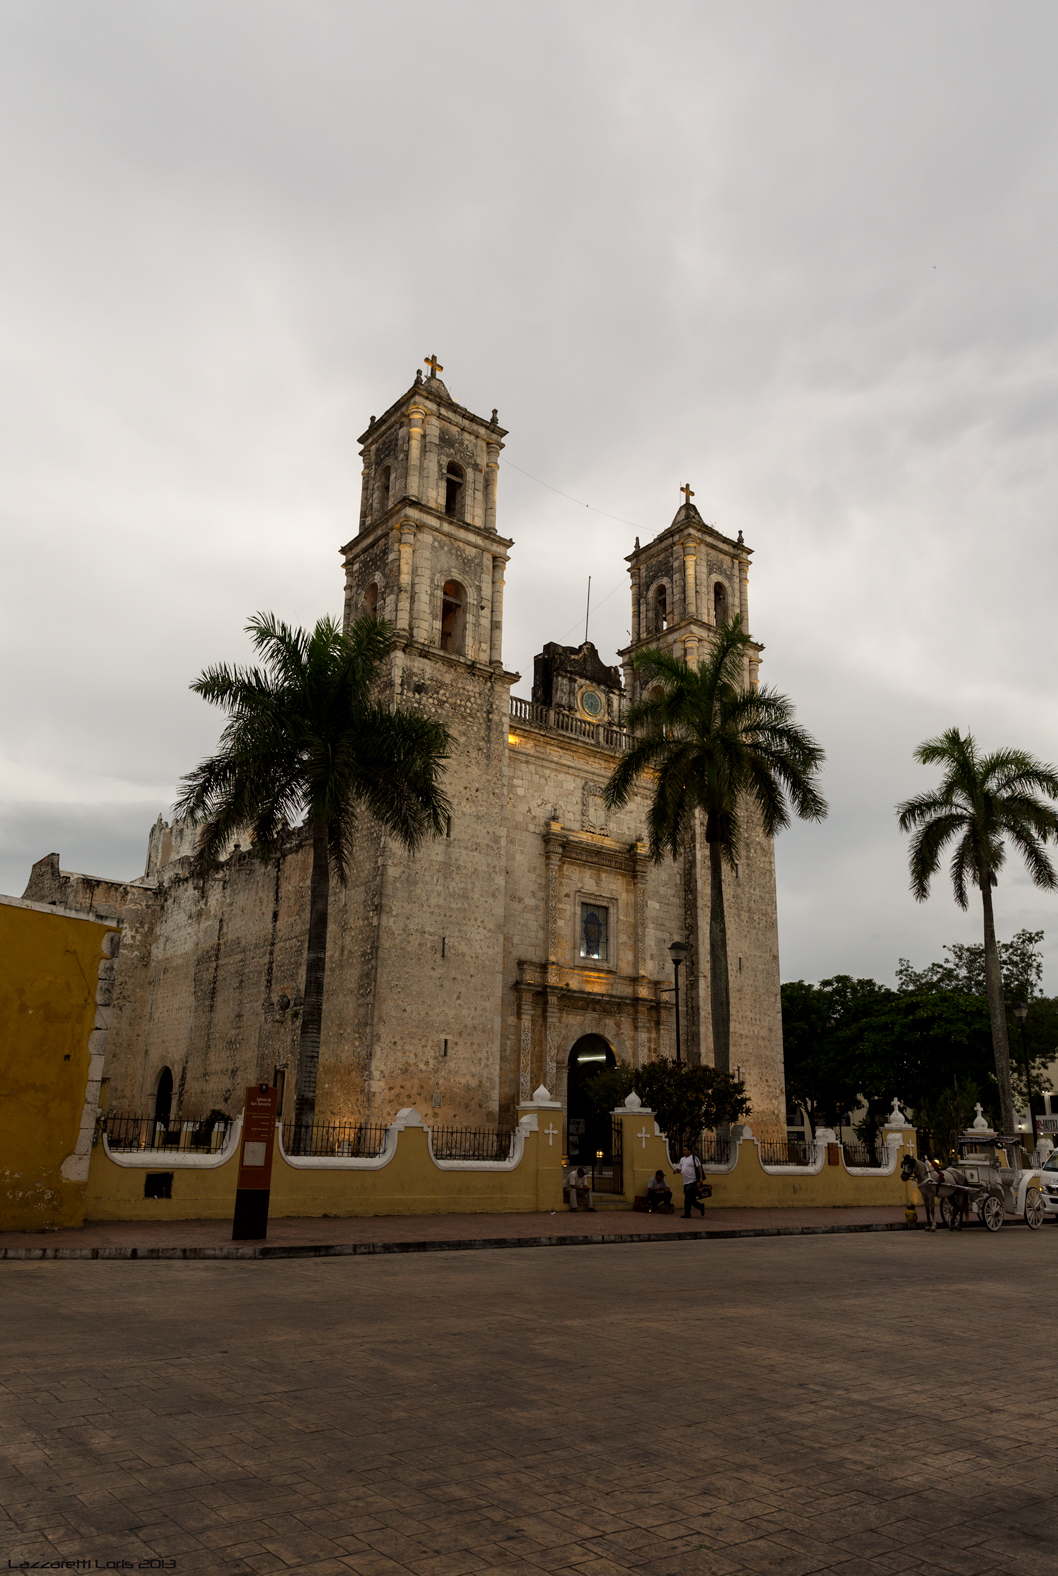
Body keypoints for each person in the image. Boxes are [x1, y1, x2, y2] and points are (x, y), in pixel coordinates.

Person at [672, 1146, 705, 1218]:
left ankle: (687, 1213)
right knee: (690, 1198)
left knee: (687, 1197)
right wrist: (675, 1171)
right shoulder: (682, 1159)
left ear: (689, 1150)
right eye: (683, 1150)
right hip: (685, 1182)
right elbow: (679, 1168)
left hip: (692, 1181)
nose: (684, 1151)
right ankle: (700, 1206)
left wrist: (701, 1178)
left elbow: (699, 1168)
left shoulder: (694, 1158)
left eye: (685, 1150)